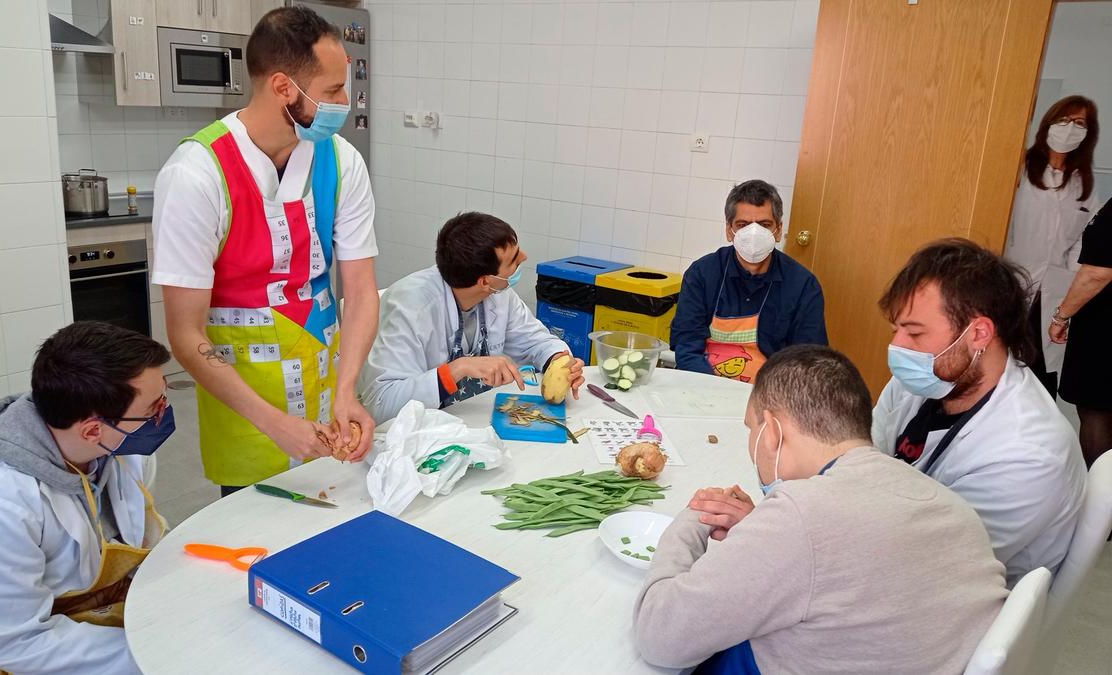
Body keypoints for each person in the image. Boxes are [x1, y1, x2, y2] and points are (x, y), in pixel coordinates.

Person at [633, 345, 1007, 673]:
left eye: (751, 429)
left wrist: (693, 518)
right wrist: (762, 530)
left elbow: (660, 637)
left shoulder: (799, 517)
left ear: (773, 432)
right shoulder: (951, 506)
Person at [152, 7, 380, 496]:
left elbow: (360, 291)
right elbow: (184, 332)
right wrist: (274, 423)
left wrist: (348, 387)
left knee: (335, 529)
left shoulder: (341, 161)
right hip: (244, 402)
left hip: (325, 380)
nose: (346, 101)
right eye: (334, 90)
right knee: (259, 544)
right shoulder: (196, 174)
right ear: (283, 89)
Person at [0, 322, 173, 673]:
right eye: (153, 407)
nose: (162, 415)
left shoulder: (116, 447)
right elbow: (13, 643)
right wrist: (159, 654)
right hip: (26, 659)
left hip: (102, 621)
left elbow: (136, 544)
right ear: (93, 429)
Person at [872, 239, 1086, 585]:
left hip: (950, 598)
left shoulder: (1030, 453)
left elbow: (929, 567)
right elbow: (864, 458)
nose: (897, 346)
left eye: (914, 332)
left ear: (979, 334)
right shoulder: (925, 380)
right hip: (891, 557)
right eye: (897, 329)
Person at [360, 212, 585, 425]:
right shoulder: (410, 308)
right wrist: (458, 369)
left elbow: (537, 342)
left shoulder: (499, 293)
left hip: (474, 420)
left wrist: (557, 360)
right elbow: (381, 404)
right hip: (420, 436)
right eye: (515, 260)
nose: (525, 258)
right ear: (485, 281)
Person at [671, 179, 827, 383]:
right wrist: (712, 391)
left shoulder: (803, 286)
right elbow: (687, 346)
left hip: (768, 396)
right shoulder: (702, 274)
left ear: (778, 230)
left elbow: (807, 363)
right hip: (702, 386)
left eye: (764, 225)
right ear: (729, 230)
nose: (753, 234)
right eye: (743, 225)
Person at [1004, 95, 1100, 399]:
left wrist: (1071, 275)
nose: (1070, 128)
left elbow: (1085, 237)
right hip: (1012, 280)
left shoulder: (1083, 182)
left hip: (1056, 290)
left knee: (1041, 374)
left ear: (1089, 133)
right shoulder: (1018, 167)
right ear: (1048, 122)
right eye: (1064, 120)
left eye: (1079, 123)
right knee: (1002, 362)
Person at [1051, 198, 1112, 467]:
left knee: (1097, 409)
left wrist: (1062, 314)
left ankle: (1102, 499)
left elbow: (1098, 272)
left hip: (1105, 330)